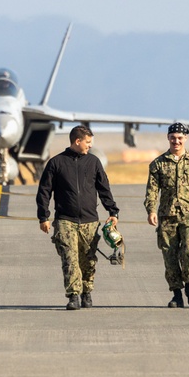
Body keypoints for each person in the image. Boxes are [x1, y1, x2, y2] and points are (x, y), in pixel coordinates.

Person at [37, 125, 119, 310]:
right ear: (77, 141)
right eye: (88, 142)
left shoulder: (94, 162)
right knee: (69, 258)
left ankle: (86, 291)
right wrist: (44, 217)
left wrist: (113, 212)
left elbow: (104, 189)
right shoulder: (56, 163)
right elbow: (44, 192)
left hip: (90, 221)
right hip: (66, 220)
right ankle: (73, 295)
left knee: (88, 260)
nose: (90, 146)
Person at [145, 122, 189, 308]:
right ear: (168, 138)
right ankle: (176, 294)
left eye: (180, 138)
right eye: (173, 138)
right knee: (169, 257)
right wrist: (151, 210)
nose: (176, 141)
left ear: (186, 139)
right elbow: (152, 191)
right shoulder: (158, 164)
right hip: (167, 217)